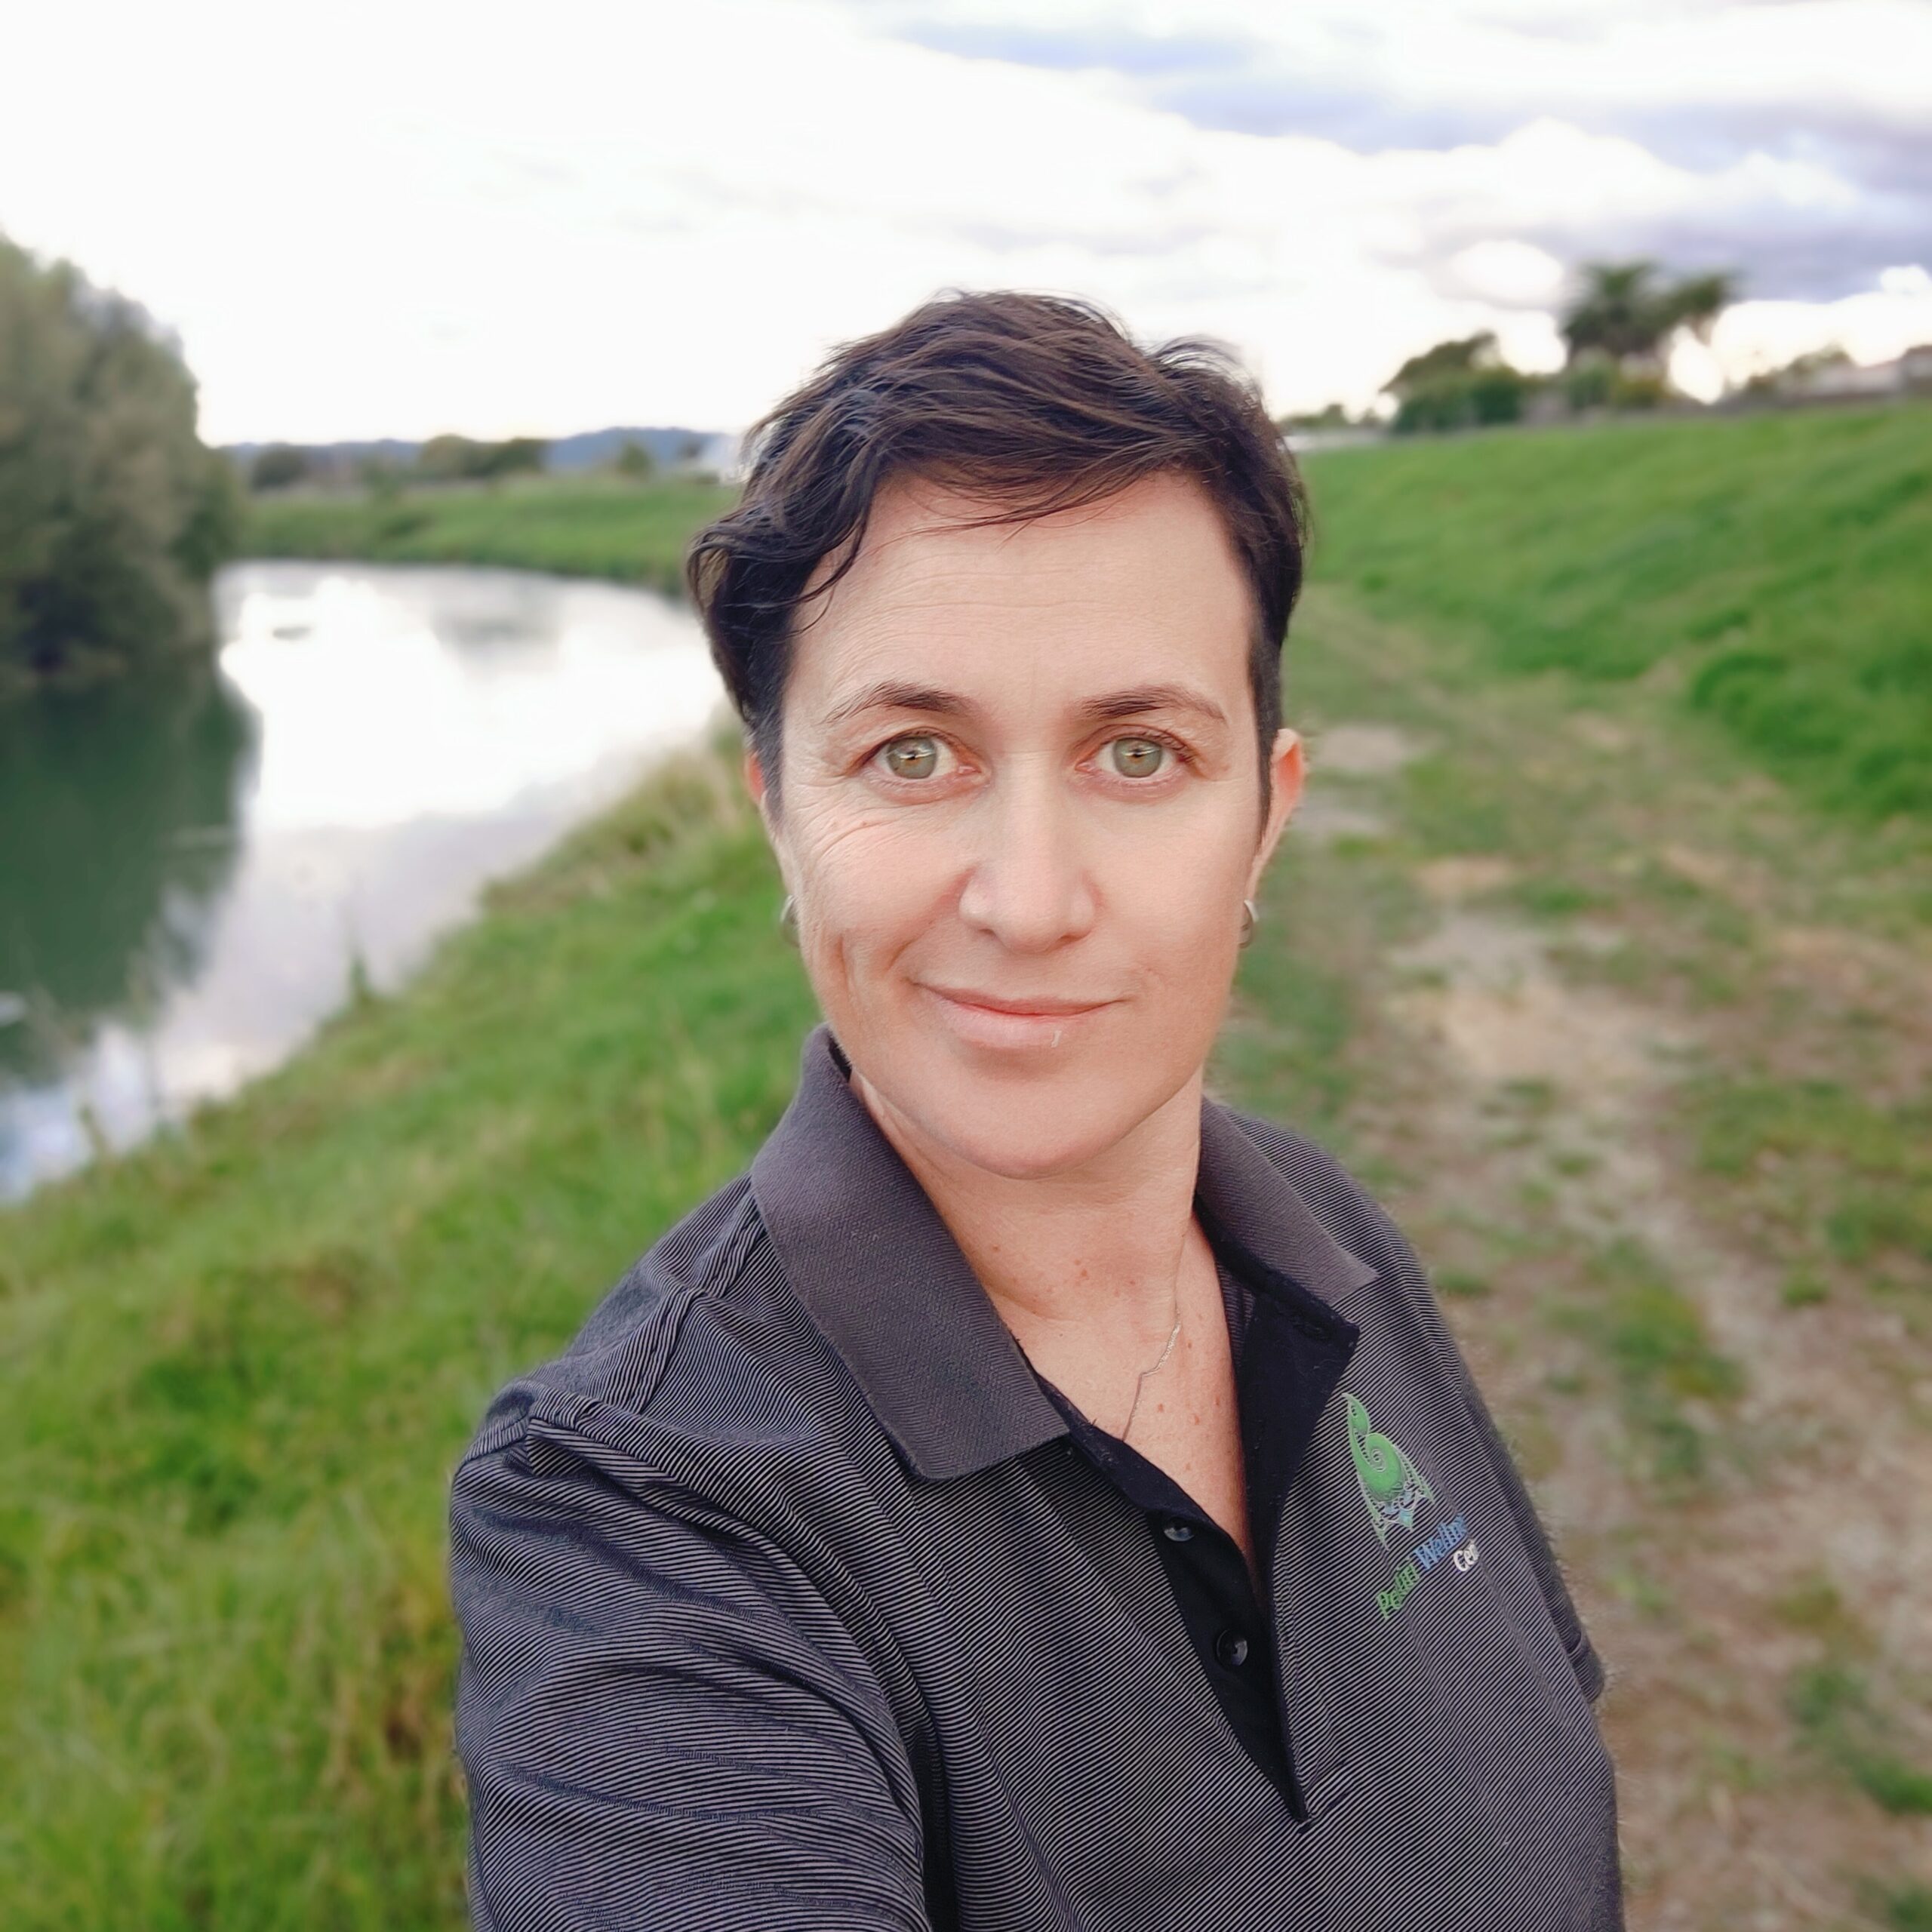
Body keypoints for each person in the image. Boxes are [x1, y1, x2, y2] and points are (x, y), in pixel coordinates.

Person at [448, 289, 1621, 1930]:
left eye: (1137, 754)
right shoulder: (637, 1519)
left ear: (1264, 819)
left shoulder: (1327, 1235)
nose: (1028, 899)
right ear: (777, 812)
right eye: (912, 755)